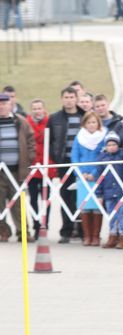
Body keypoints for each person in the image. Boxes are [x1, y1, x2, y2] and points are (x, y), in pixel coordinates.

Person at [49, 87, 85, 243]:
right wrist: (56, 158)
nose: (69, 100)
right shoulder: (55, 118)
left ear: (76, 98)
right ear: (62, 99)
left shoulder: (85, 116)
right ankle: (66, 230)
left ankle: (84, 231)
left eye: (71, 97)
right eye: (66, 97)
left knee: (83, 197)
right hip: (64, 163)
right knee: (66, 198)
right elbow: (50, 141)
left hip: (83, 165)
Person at [0, 93, 34, 242]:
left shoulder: (21, 122)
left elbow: (30, 140)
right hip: (0, 172)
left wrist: (31, 157)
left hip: (16, 170)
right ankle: (3, 231)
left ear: (10, 105)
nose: (1, 106)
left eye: (4, 103)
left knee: (18, 203)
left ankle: (23, 232)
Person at [70, 111, 106, 246]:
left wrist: (94, 173)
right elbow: (75, 156)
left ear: (98, 123)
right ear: (84, 124)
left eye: (94, 122)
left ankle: (96, 236)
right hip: (82, 178)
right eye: (89, 122)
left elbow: (103, 156)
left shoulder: (103, 136)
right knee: (84, 207)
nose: (91, 125)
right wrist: (80, 174)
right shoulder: (79, 137)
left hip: (97, 177)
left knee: (97, 206)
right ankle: (87, 236)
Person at [26, 99, 56, 241]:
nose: (37, 111)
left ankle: (45, 225)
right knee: (33, 198)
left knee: (46, 199)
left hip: (46, 165)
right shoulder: (27, 123)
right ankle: (36, 225)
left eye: (39, 108)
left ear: (44, 109)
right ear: (31, 110)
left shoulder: (49, 122)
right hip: (33, 165)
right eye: (35, 108)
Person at [97, 132, 123, 249]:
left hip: (121, 192)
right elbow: (99, 178)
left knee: (122, 215)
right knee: (111, 215)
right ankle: (112, 235)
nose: (111, 147)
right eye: (109, 145)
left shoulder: (122, 157)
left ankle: (122, 236)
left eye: (114, 144)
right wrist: (99, 194)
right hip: (108, 192)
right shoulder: (102, 159)